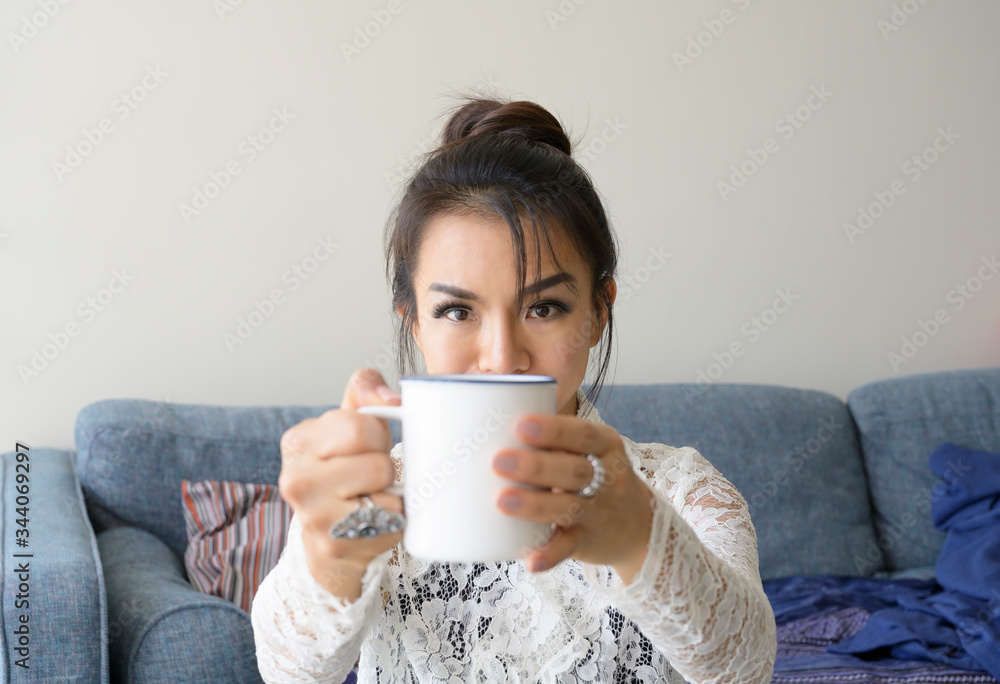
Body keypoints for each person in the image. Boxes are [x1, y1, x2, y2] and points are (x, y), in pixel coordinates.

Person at [251, 97, 777, 683]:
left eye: (544, 306)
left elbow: (746, 668)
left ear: (599, 311)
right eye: (456, 311)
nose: (503, 358)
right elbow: (289, 671)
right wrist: (328, 559)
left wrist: (642, 539)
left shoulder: (684, 492)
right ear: (413, 322)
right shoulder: (372, 497)